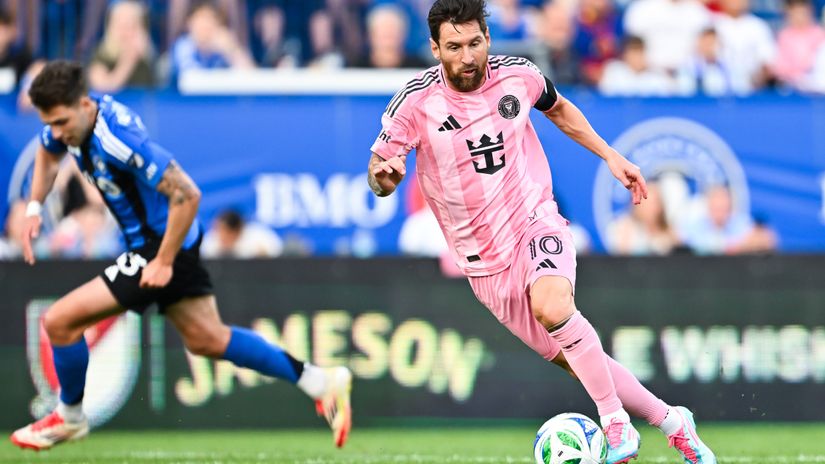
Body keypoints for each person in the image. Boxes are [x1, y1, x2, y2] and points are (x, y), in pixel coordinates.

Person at [366, 2, 716, 463]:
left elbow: (560, 109)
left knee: (553, 306)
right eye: (454, 47)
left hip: (534, 220)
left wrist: (609, 155)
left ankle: (615, 425)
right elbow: (379, 170)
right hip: (483, 265)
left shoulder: (519, 75)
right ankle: (673, 422)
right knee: (580, 361)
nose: (467, 56)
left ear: (488, 38)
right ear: (435, 48)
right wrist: (384, 178)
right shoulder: (415, 102)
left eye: (475, 43)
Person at [9, 61, 352, 451]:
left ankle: (70, 418)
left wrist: (164, 260)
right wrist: (35, 207)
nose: (55, 132)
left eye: (60, 122)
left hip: (160, 245)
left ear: (84, 104)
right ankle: (320, 381)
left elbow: (187, 194)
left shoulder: (118, 139)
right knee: (208, 338)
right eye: (49, 123)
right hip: (170, 245)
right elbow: (47, 153)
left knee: (59, 322)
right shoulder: (70, 122)